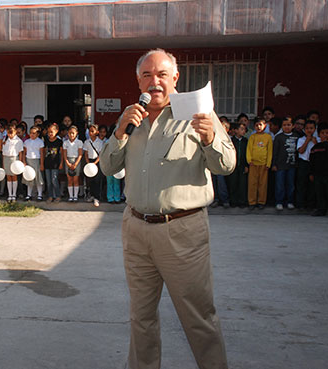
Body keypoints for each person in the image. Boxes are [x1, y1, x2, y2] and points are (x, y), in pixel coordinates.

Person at [99, 48, 234, 369]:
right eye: (147, 75)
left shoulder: (198, 114)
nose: (154, 82)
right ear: (138, 80)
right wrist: (119, 132)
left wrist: (210, 137)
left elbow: (226, 165)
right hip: (136, 229)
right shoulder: (131, 116)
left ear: (175, 78)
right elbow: (107, 166)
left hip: (183, 232)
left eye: (161, 75)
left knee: (198, 317)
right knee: (141, 317)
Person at [309, 122, 328, 218]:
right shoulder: (315, 147)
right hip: (318, 174)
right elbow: (312, 162)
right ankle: (321, 210)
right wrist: (312, 173)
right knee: (320, 193)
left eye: (327, 133)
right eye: (323, 133)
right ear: (319, 134)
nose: (325, 135)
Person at [272, 116, 299, 210]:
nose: (286, 127)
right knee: (280, 184)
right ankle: (279, 201)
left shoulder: (296, 136)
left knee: (291, 184)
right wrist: (274, 164)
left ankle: (290, 201)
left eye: (289, 125)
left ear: (293, 126)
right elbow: (275, 151)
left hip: (292, 165)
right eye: (284, 125)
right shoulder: (279, 137)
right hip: (280, 165)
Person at [246, 117, 272, 209]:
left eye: (260, 125)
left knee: (262, 184)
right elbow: (249, 149)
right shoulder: (252, 137)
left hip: (264, 164)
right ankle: (252, 202)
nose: (258, 127)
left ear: (265, 126)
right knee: (252, 183)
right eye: (256, 125)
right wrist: (249, 160)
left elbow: (269, 151)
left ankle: (261, 202)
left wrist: (268, 163)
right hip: (253, 164)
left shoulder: (268, 137)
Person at [295, 120, 317, 209]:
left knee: (312, 184)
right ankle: (300, 204)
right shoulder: (301, 139)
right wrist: (307, 140)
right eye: (307, 128)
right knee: (301, 183)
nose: (309, 130)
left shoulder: (317, 139)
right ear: (304, 129)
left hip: (313, 163)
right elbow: (300, 151)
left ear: (315, 129)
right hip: (303, 163)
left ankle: (310, 204)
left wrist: (314, 142)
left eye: (311, 128)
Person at [227, 121, 249, 207]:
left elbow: (248, 154)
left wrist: (247, 165)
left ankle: (242, 201)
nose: (243, 131)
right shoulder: (231, 141)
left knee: (242, 184)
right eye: (241, 129)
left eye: (244, 130)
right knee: (233, 183)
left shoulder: (245, 141)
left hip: (243, 165)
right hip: (233, 165)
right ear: (235, 130)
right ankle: (233, 201)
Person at [83, 124, 104, 207]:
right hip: (89, 161)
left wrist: (95, 163)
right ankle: (91, 195)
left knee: (97, 180)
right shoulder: (87, 142)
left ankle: (97, 197)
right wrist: (88, 163)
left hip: (97, 161)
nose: (91, 133)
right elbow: (86, 153)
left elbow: (101, 154)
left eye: (92, 131)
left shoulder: (100, 142)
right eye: (89, 131)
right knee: (90, 179)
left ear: (97, 132)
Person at [2, 124, 24, 202]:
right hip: (7, 158)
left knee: (14, 176)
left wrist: (20, 162)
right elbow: (3, 153)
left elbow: (20, 152)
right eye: (8, 132)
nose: (10, 134)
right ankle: (10, 194)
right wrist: (3, 164)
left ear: (15, 132)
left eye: (12, 132)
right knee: (8, 177)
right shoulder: (5, 140)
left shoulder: (18, 141)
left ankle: (14, 194)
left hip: (14, 159)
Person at [22, 126, 45, 201]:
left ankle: (40, 195)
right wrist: (24, 161)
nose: (32, 135)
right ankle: (29, 195)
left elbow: (42, 153)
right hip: (29, 160)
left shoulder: (40, 142)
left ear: (38, 134)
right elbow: (24, 152)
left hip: (37, 160)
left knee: (38, 179)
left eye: (34, 133)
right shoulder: (26, 142)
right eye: (31, 133)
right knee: (29, 178)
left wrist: (41, 164)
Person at [62, 125, 83, 202]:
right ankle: (71, 196)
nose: (71, 135)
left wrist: (75, 164)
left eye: (73, 133)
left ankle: (75, 196)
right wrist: (67, 163)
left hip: (76, 161)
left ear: (76, 133)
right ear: (68, 133)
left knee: (76, 179)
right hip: (68, 161)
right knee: (69, 179)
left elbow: (80, 154)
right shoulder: (65, 143)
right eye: (70, 133)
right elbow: (64, 154)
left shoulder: (79, 142)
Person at [43, 122, 63, 203]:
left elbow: (61, 154)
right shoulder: (46, 141)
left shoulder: (59, 141)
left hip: (55, 164)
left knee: (54, 180)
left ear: (56, 131)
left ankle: (58, 195)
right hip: (47, 164)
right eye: (48, 132)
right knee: (48, 181)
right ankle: (50, 196)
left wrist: (61, 163)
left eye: (52, 132)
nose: (50, 134)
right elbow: (44, 152)